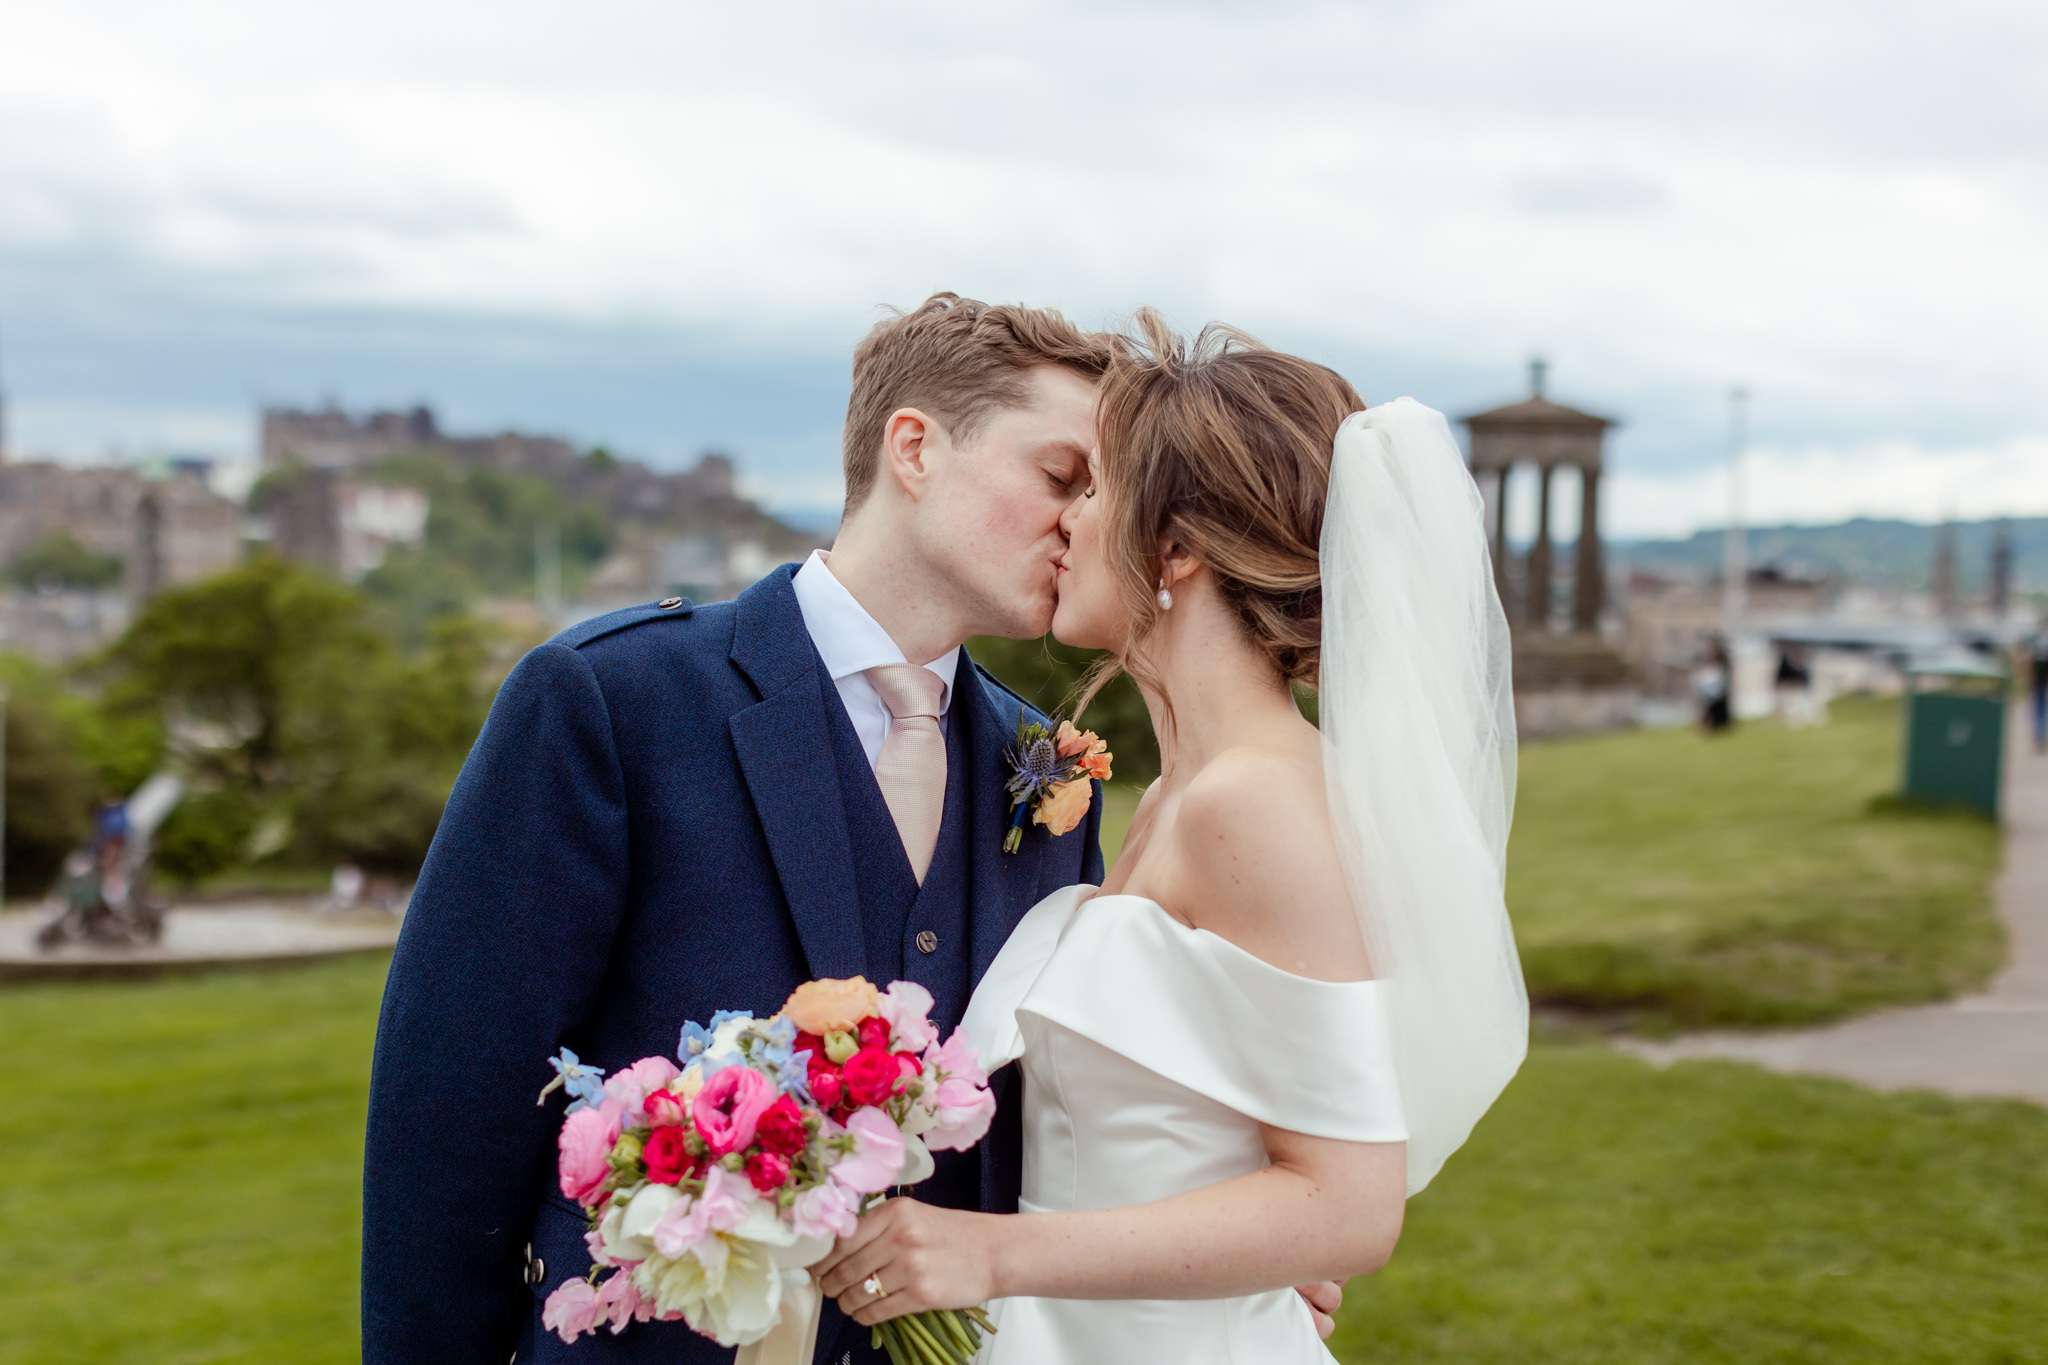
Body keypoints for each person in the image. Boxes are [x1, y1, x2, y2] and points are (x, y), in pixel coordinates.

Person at [358, 294, 1345, 1363]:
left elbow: (1057, 1103)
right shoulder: (614, 702)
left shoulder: (1049, 774)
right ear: (913, 449)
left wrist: (1219, 1235)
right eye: (1062, 476)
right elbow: (446, 1131)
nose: (1082, 522)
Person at [814, 315, 1527, 1361]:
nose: (1062, 524)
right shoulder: (1165, 801)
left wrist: (988, 1256)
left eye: (1090, 490)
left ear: (1178, 548)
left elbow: (1347, 1210)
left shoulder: (1258, 806)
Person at [2029, 623, 2048, 754]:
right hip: (2040, 682)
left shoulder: (2037, 641)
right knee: (2041, 710)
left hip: (2038, 682)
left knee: (2039, 710)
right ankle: (2040, 737)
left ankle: (2039, 736)